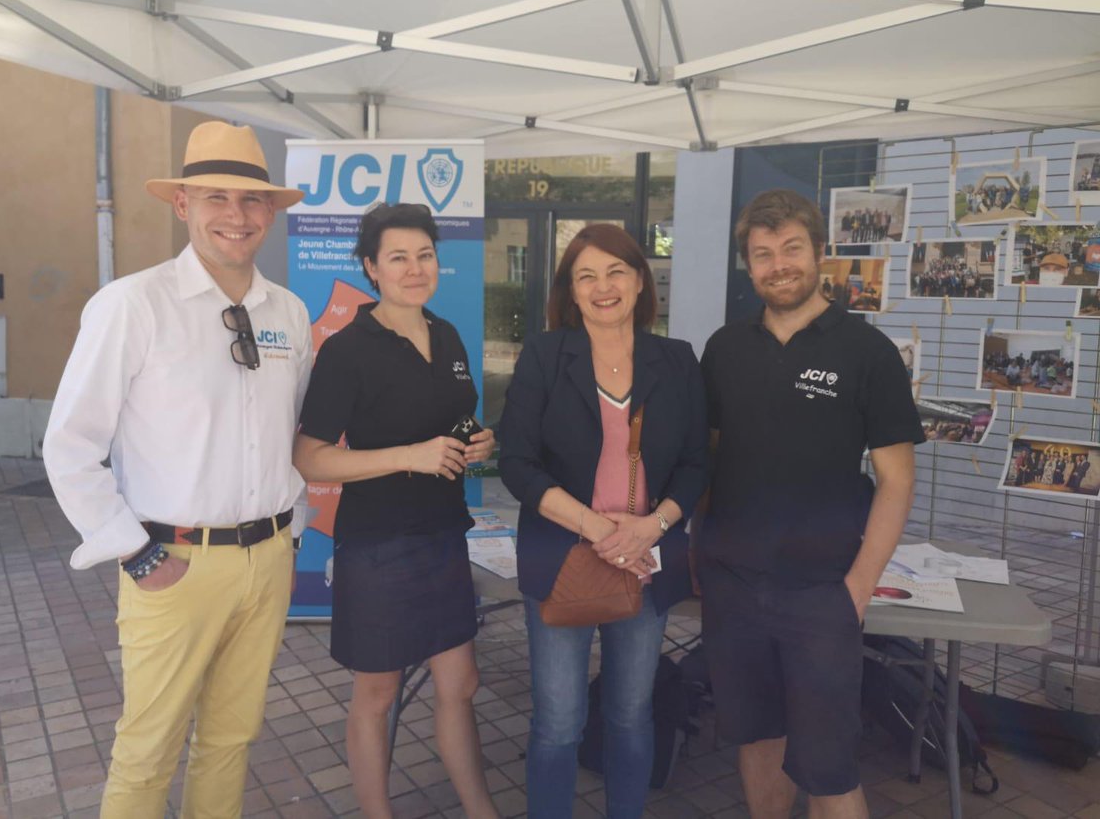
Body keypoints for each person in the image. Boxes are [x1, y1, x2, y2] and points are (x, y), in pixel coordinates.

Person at [43, 121, 313, 818]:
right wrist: (136, 554)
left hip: (269, 558)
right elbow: (69, 444)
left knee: (230, 740)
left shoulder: (287, 310)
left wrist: (295, 532)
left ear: (272, 213)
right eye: (216, 196)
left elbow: (291, 435)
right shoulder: (133, 304)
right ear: (182, 205)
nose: (236, 215)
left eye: (253, 200)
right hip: (176, 562)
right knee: (148, 749)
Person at [695, 189, 922, 819]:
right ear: (748, 265)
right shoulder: (724, 349)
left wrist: (858, 587)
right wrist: (701, 554)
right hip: (734, 584)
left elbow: (897, 479)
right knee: (758, 739)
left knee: (828, 767)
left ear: (820, 252)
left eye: (791, 248)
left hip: (822, 590)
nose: (779, 264)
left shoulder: (868, 352)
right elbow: (709, 461)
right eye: (763, 254)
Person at [292, 203, 498, 819]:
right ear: (371, 268)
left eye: (425, 255)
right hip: (378, 543)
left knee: (460, 686)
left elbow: (453, 425)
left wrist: (479, 442)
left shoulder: (448, 334)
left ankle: (480, 809)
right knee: (377, 695)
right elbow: (310, 458)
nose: (415, 268)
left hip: (442, 534)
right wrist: (410, 455)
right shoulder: (348, 349)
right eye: (399, 258)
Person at [498, 224, 708, 818]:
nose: (603, 287)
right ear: (571, 289)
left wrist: (652, 527)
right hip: (564, 558)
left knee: (630, 714)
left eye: (616, 272)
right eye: (585, 276)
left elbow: (695, 465)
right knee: (559, 720)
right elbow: (517, 461)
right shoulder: (544, 355)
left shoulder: (677, 360)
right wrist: (599, 530)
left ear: (641, 282)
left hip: (645, 562)